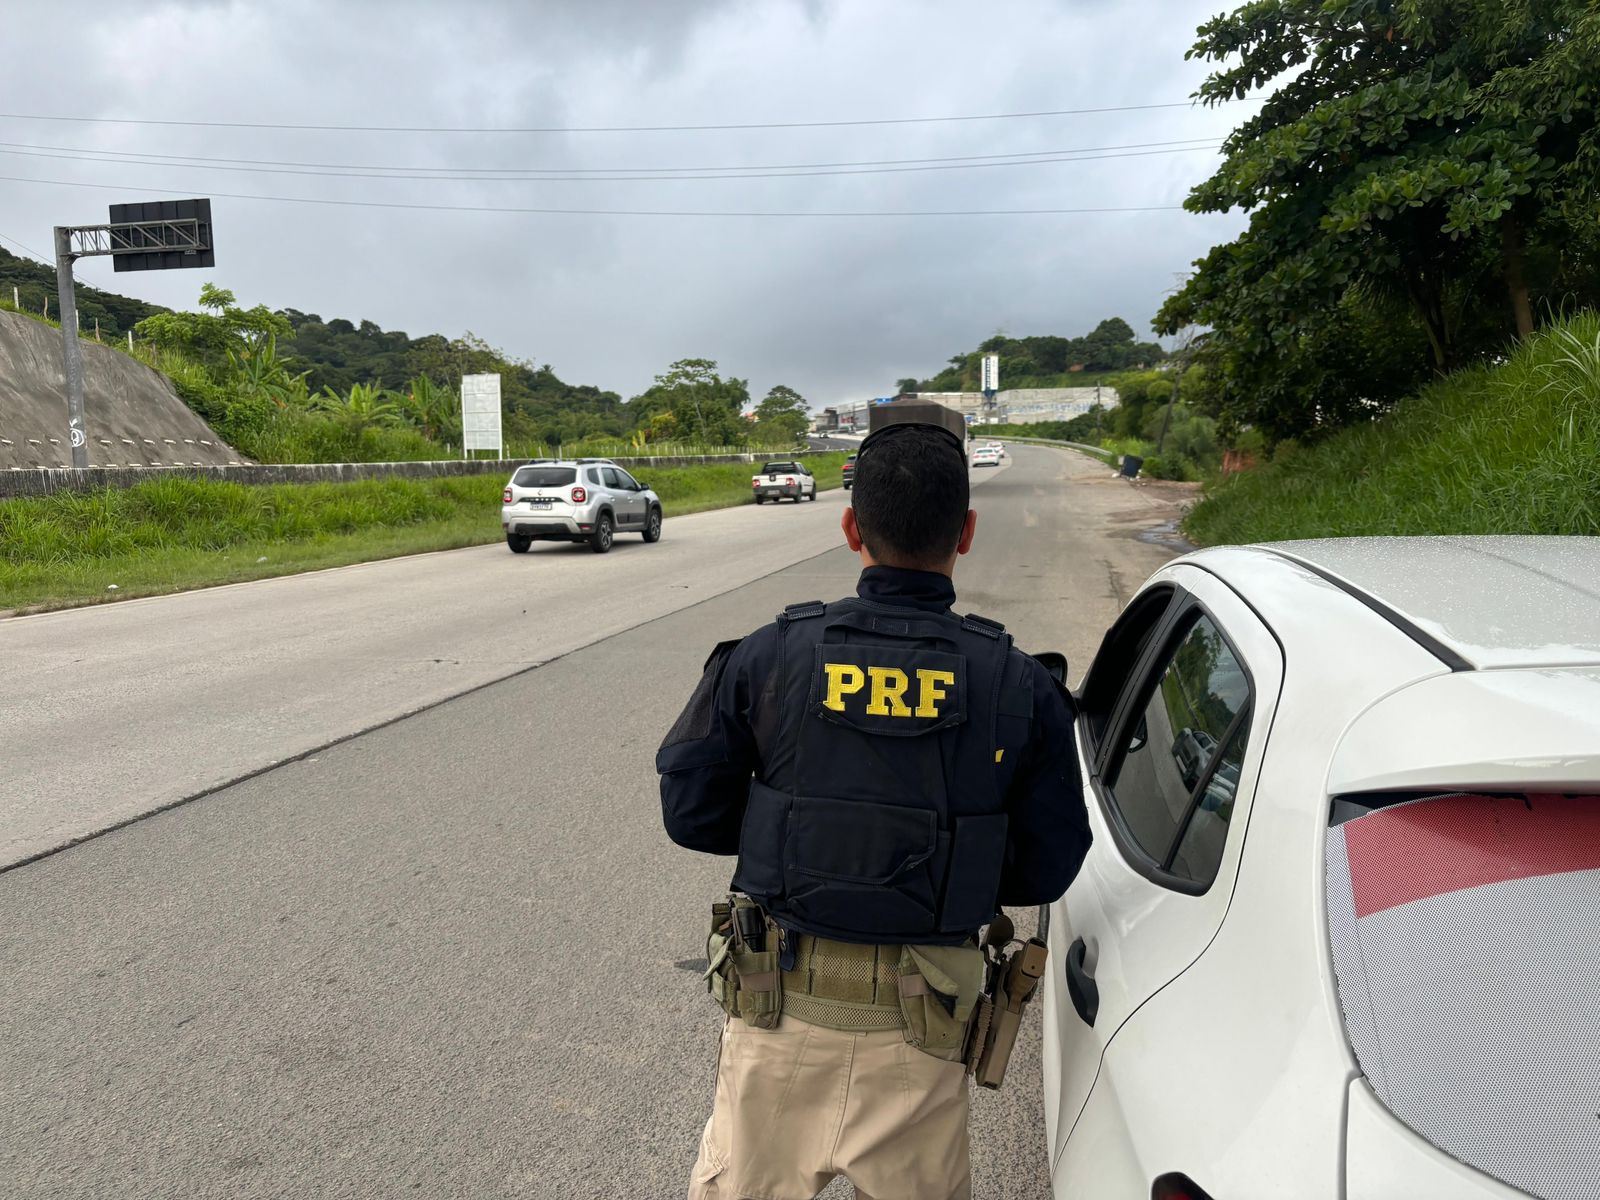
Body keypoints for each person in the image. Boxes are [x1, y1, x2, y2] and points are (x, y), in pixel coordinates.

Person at [658, 421, 1092, 1200]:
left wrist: (791, 837)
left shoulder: (769, 656)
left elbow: (691, 813)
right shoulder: (1018, 683)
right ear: (965, 531)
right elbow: (1049, 866)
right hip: (925, 1033)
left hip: (775, 1015)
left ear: (852, 527)